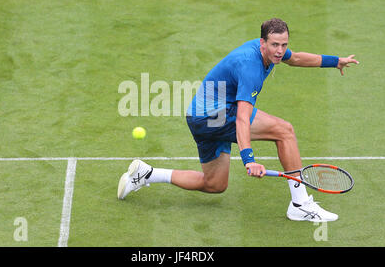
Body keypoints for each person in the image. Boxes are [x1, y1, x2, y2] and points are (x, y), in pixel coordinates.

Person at [117, 18, 359, 222]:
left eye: (283, 44)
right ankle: (300, 205)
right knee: (284, 131)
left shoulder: (271, 51)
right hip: (215, 115)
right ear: (262, 42)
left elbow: (295, 58)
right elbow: (242, 119)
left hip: (199, 117)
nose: (279, 50)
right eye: (274, 45)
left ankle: (147, 174)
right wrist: (249, 159)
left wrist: (335, 61)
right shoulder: (250, 67)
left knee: (215, 184)